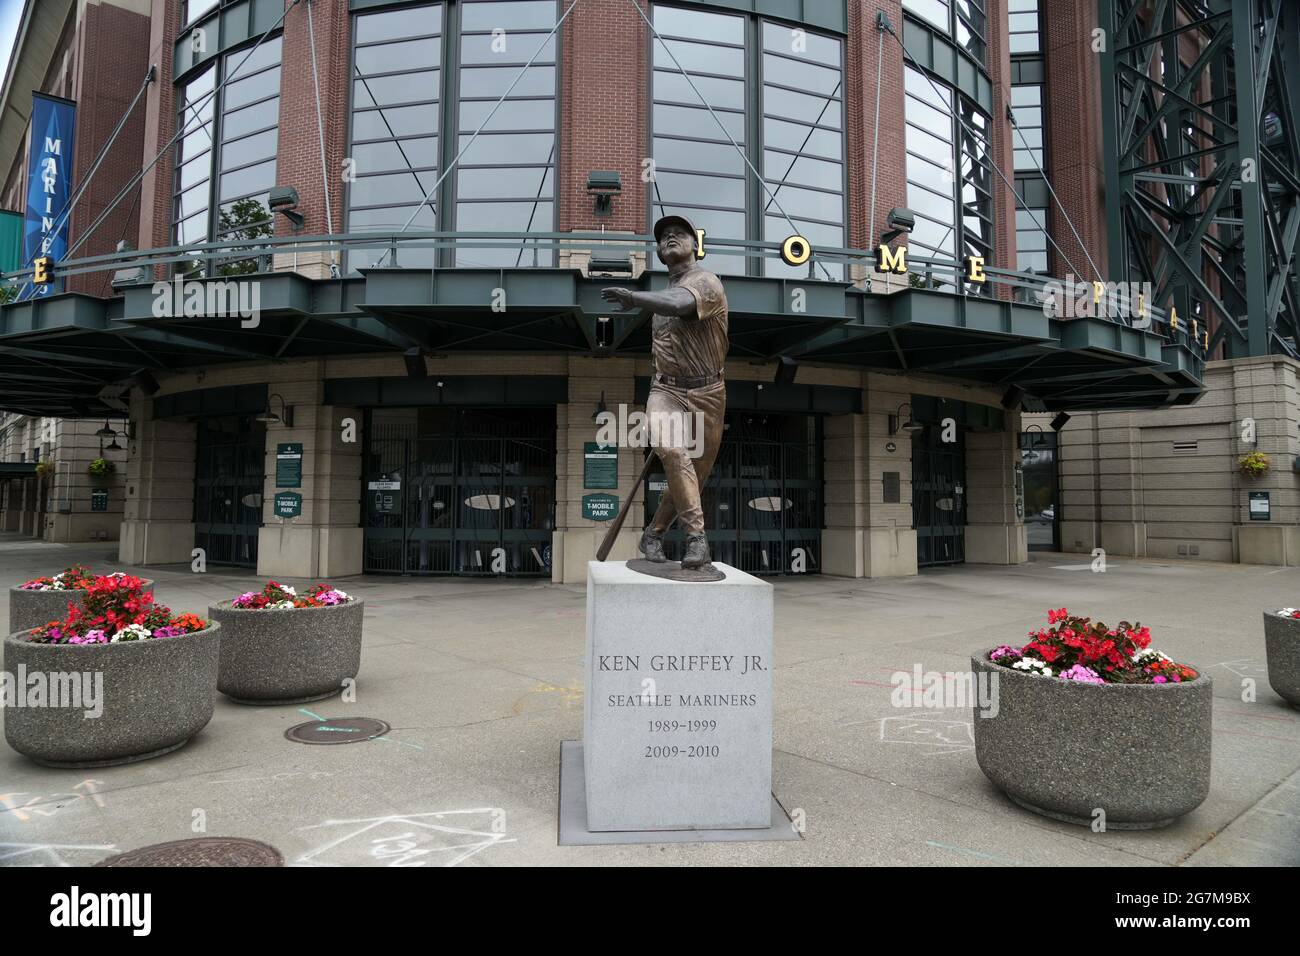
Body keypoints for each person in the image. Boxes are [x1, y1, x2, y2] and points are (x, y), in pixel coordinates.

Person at [601, 215, 728, 570]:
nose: (670, 238)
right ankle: (696, 539)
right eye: (664, 237)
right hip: (666, 390)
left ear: (694, 245)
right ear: (658, 251)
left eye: (679, 234)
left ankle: (653, 533)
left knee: (691, 477)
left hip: (708, 392)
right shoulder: (659, 298)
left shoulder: (707, 282)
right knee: (673, 452)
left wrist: (634, 297)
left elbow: (678, 304)